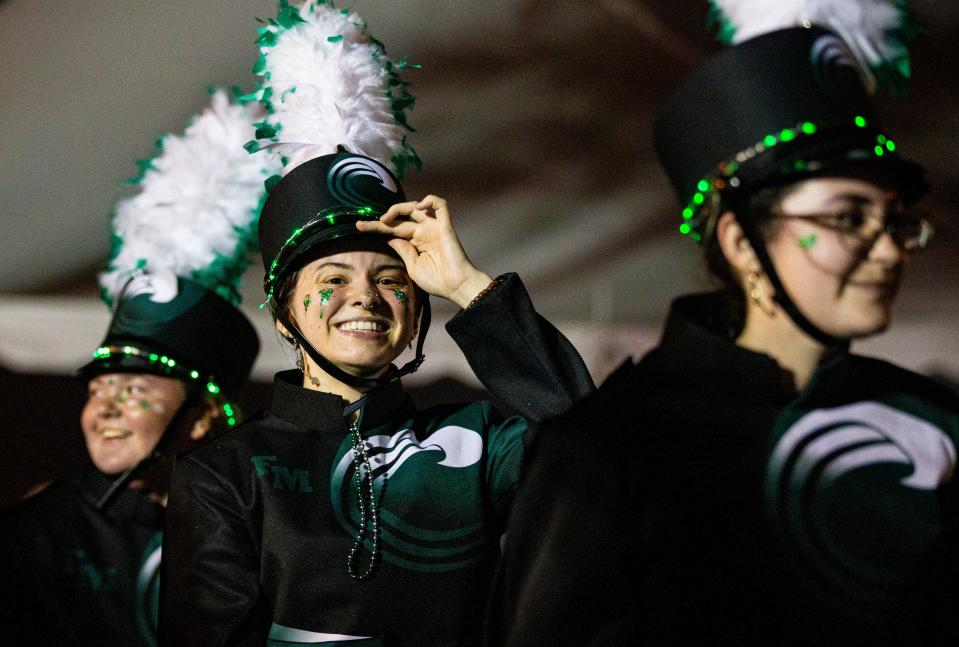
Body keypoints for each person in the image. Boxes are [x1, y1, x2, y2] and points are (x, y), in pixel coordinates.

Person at [485, 23, 959, 646]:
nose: (890, 252)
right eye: (848, 218)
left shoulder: (938, 426)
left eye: (895, 221)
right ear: (742, 242)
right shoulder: (610, 447)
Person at [158, 151, 593, 645]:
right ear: (285, 317)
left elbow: (591, 443)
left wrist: (465, 284)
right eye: (334, 280)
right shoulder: (225, 470)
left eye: (389, 280)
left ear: (414, 316)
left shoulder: (479, 441)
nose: (365, 297)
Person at [0, 278, 259, 646]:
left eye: (134, 390)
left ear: (202, 415)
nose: (104, 408)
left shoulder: (257, 529)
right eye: (96, 389)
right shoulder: (35, 535)